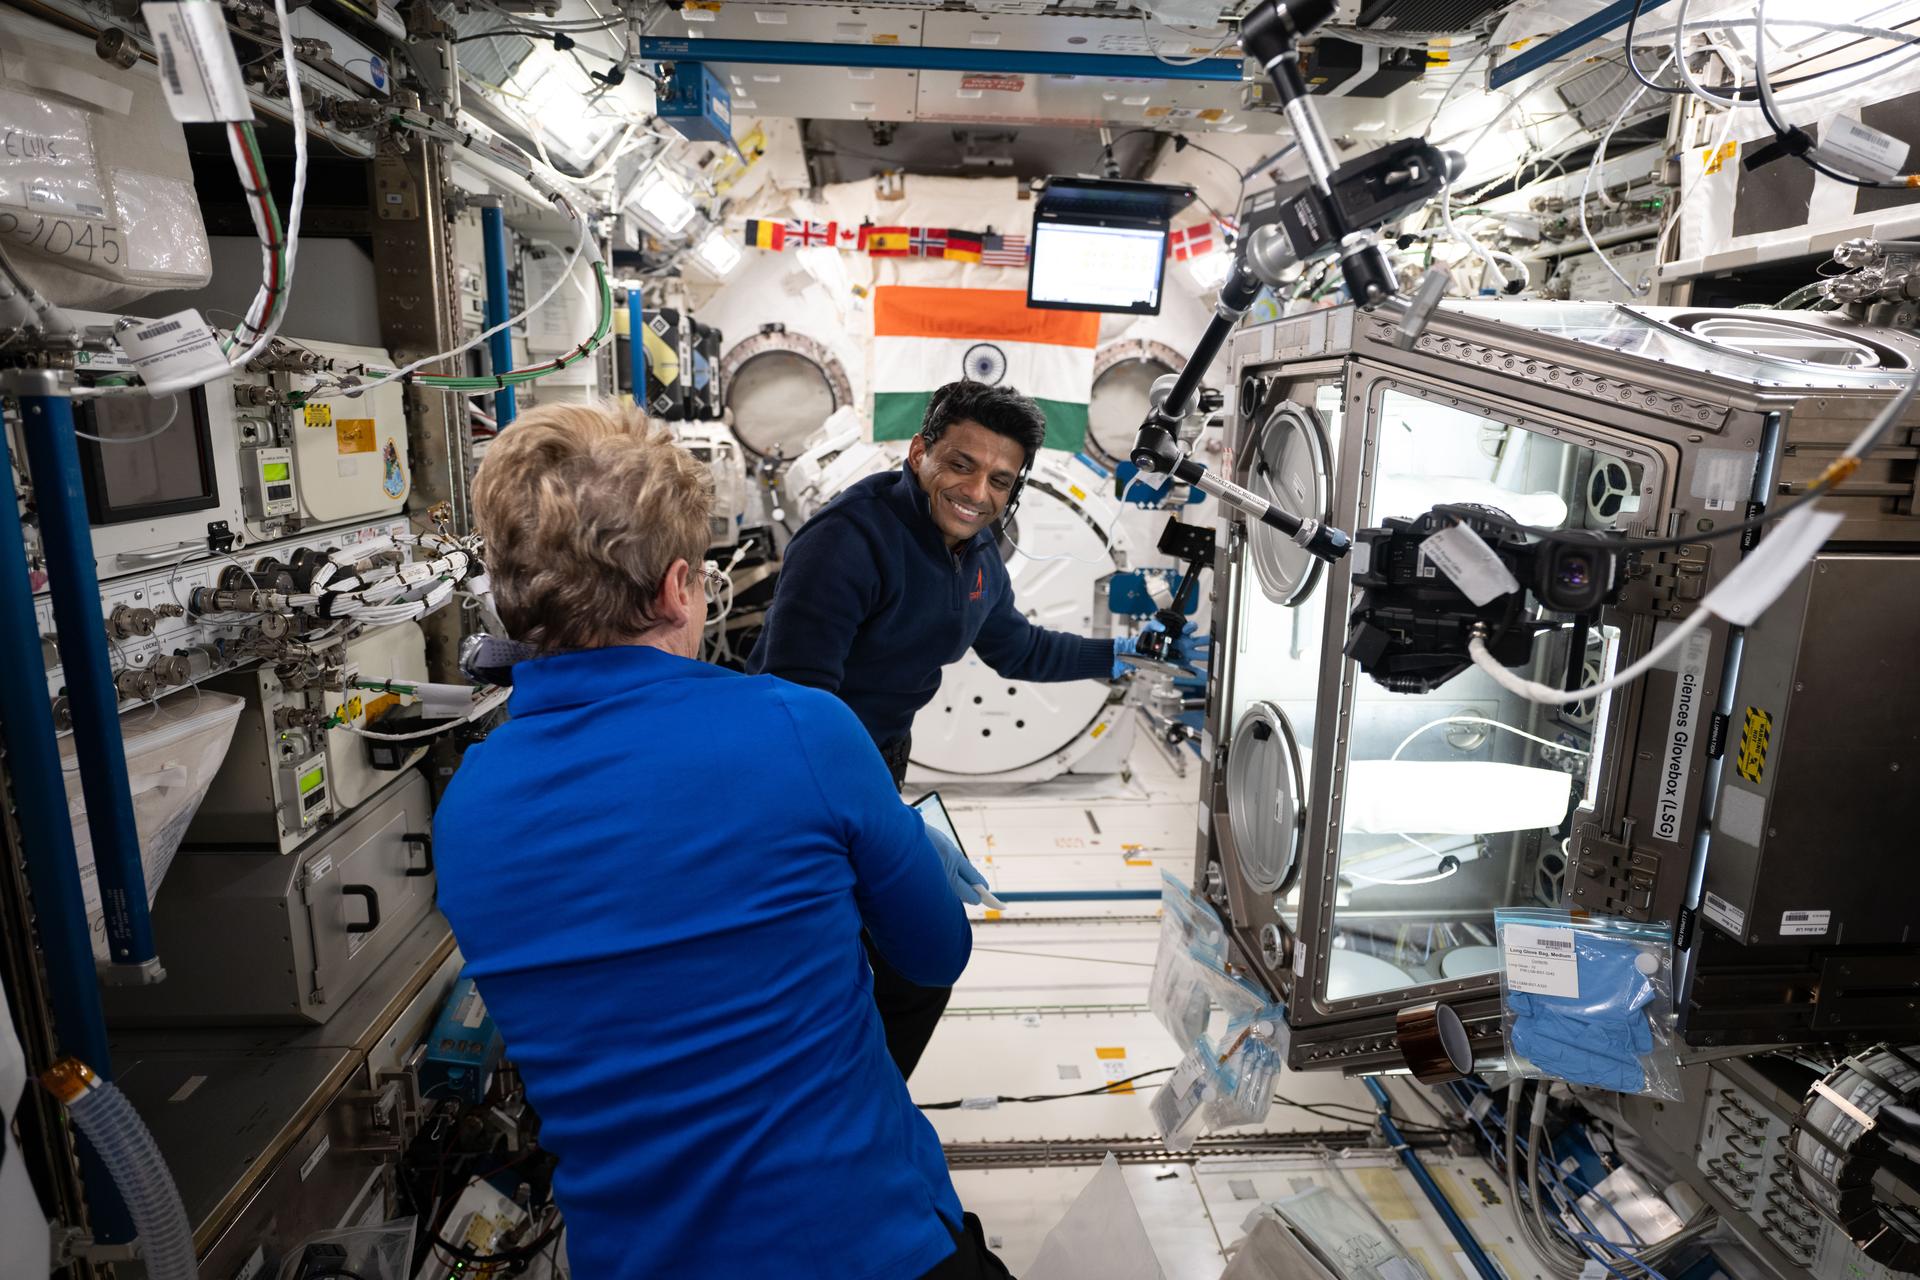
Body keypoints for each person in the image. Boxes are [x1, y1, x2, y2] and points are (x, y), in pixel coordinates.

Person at [434, 402, 1011, 1279]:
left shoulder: (467, 809)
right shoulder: (802, 731)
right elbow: (936, 954)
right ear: (676, 589)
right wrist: (894, 850)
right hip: (862, 1243)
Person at [749, 379, 1143, 1080]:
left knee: (905, 965)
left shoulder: (977, 551)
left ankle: (858, 1098)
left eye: (1000, 479)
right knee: (893, 967)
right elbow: (795, 709)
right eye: (961, 464)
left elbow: (1016, 647)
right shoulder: (848, 542)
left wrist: (1118, 657)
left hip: (877, 760)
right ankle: (836, 1105)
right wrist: (886, 823)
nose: (978, 491)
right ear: (920, 451)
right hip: (795, 779)